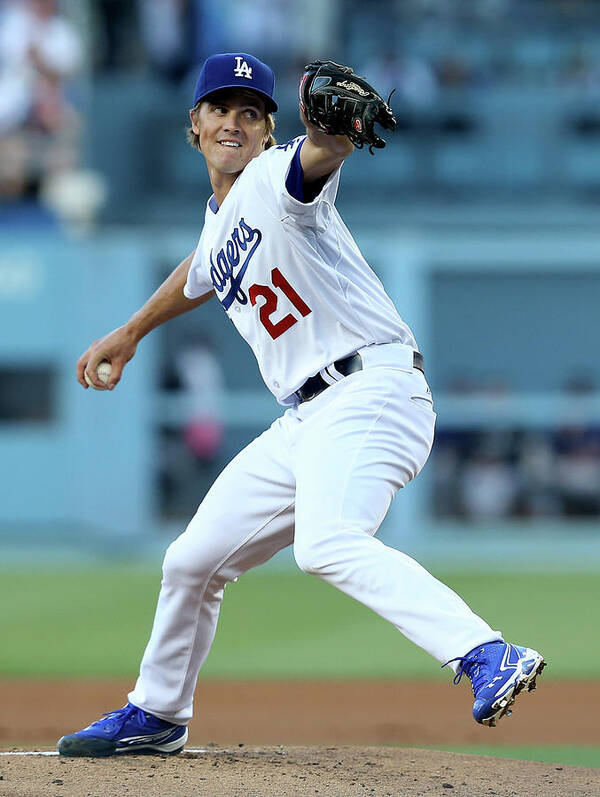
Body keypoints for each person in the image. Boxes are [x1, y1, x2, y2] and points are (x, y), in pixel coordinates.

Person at [57, 53, 545, 757]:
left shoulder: (273, 177)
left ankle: (483, 652)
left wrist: (334, 132)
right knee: (192, 559)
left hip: (372, 389)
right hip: (307, 419)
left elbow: (316, 156)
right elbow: (199, 269)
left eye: (251, 111)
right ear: (193, 124)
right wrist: (131, 331)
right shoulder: (221, 218)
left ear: (267, 131)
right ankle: (157, 712)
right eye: (221, 108)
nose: (235, 121)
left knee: (325, 543)